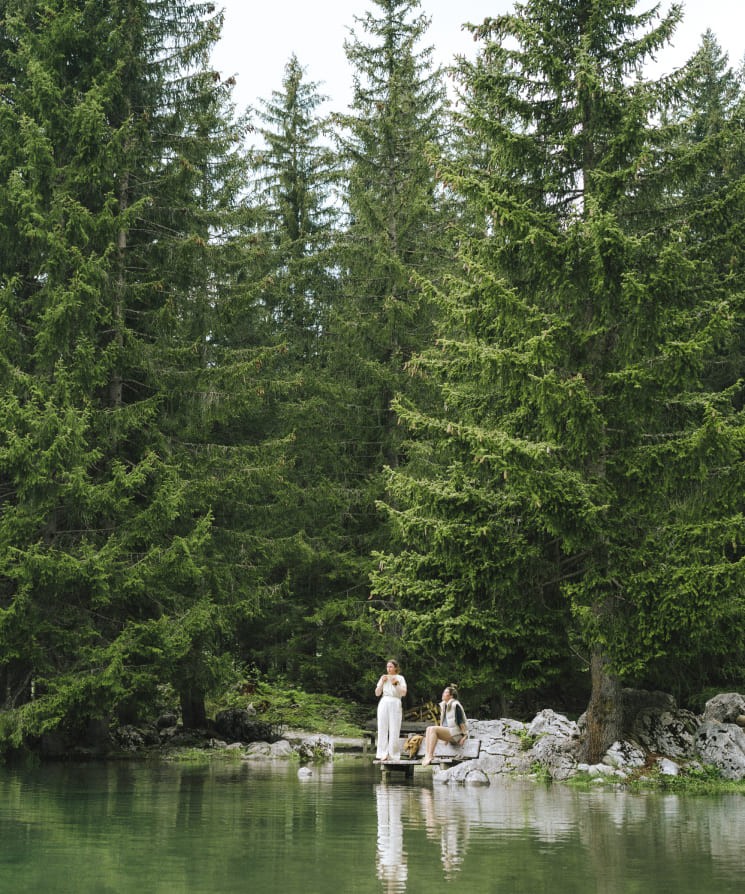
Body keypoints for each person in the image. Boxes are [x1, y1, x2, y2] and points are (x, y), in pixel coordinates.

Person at [421, 685, 467, 767]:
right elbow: (445, 723)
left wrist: (465, 735)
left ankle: (430, 755)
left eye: (445, 692)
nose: (443, 694)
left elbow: (461, 721)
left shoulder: (455, 705)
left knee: (433, 729)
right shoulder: (444, 705)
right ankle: (427, 754)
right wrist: (444, 737)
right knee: (429, 728)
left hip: (456, 734)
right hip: (450, 732)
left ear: (451, 696)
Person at [375, 659, 407, 761]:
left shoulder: (400, 678)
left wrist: (395, 684)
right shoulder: (383, 678)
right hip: (384, 701)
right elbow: (377, 693)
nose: (388, 669)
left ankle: (393, 754)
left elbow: (403, 693)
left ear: (396, 668)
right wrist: (381, 683)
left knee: (394, 728)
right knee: (382, 728)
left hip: (395, 701)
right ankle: (382, 753)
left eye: (391, 667)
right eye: (387, 667)